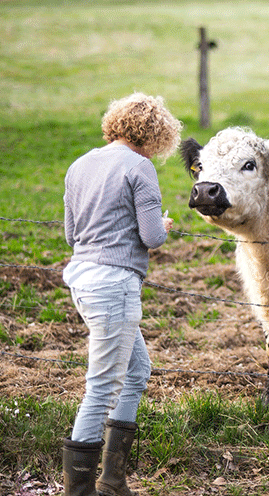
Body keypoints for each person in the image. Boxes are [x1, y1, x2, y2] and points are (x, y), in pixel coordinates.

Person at [61, 93, 182, 496]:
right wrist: (163, 226)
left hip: (82, 279)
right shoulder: (140, 167)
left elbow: (70, 235)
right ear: (156, 134)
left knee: (136, 371)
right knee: (103, 384)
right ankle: (79, 491)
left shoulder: (80, 165)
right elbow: (151, 236)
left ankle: (113, 480)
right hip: (115, 285)